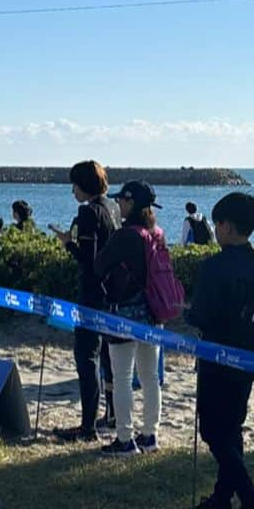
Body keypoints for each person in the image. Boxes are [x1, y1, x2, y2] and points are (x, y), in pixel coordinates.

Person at [181, 192, 254, 509]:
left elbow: (203, 315)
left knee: (213, 430)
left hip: (217, 355)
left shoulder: (213, 267)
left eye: (218, 224)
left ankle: (250, 500)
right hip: (246, 357)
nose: (216, 230)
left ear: (228, 226)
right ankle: (222, 498)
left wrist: (189, 315)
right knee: (232, 426)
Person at [94, 181, 165, 456]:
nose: (118, 205)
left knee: (122, 376)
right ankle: (150, 434)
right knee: (150, 377)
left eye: (122, 201)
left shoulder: (125, 235)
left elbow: (99, 266)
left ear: (130, 202)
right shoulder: (157, 233)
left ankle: (125, 438)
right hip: (154, 312)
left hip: (123, 312)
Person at [52, 161, 118, 442]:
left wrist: (68, 244)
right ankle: (112, 415)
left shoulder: (88, 212)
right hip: (113, 292)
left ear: (83, 186)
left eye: (74, 186)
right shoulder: (113, 207)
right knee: (109, 358)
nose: (72, 192)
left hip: (92, 295)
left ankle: (87, 426)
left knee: (87, 357)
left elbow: (89, 262)